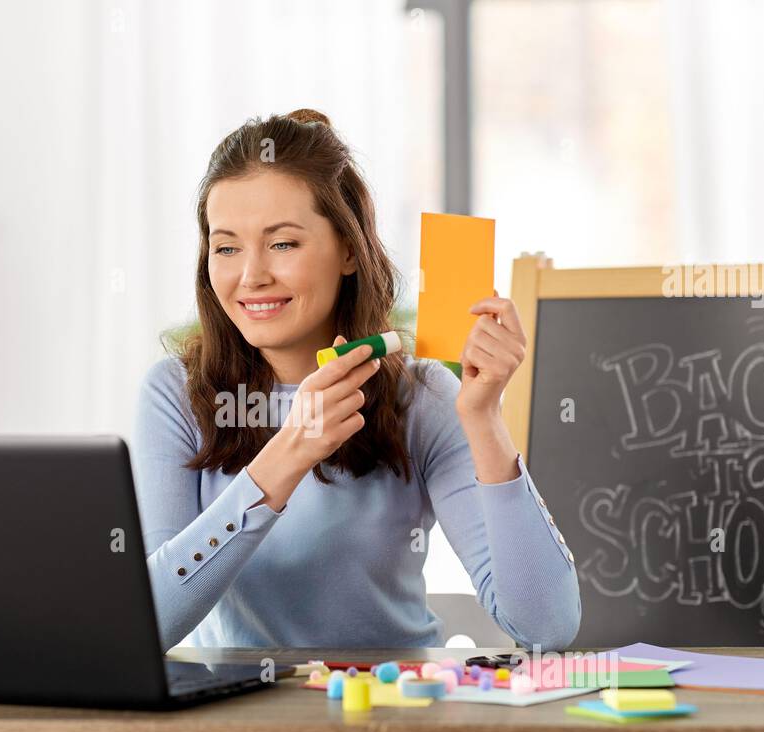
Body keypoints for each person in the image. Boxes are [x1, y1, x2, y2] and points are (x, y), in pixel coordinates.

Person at [133, 108, 581, 651]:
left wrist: (483, 417)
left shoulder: (420, 398)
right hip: (243, 725)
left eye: (283, 244)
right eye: (226, 247)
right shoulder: (177, 395)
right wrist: (291, 452)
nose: (251, 276)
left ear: (348, 249)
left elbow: (546, 627)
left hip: (392, 717)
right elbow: (149, 622)